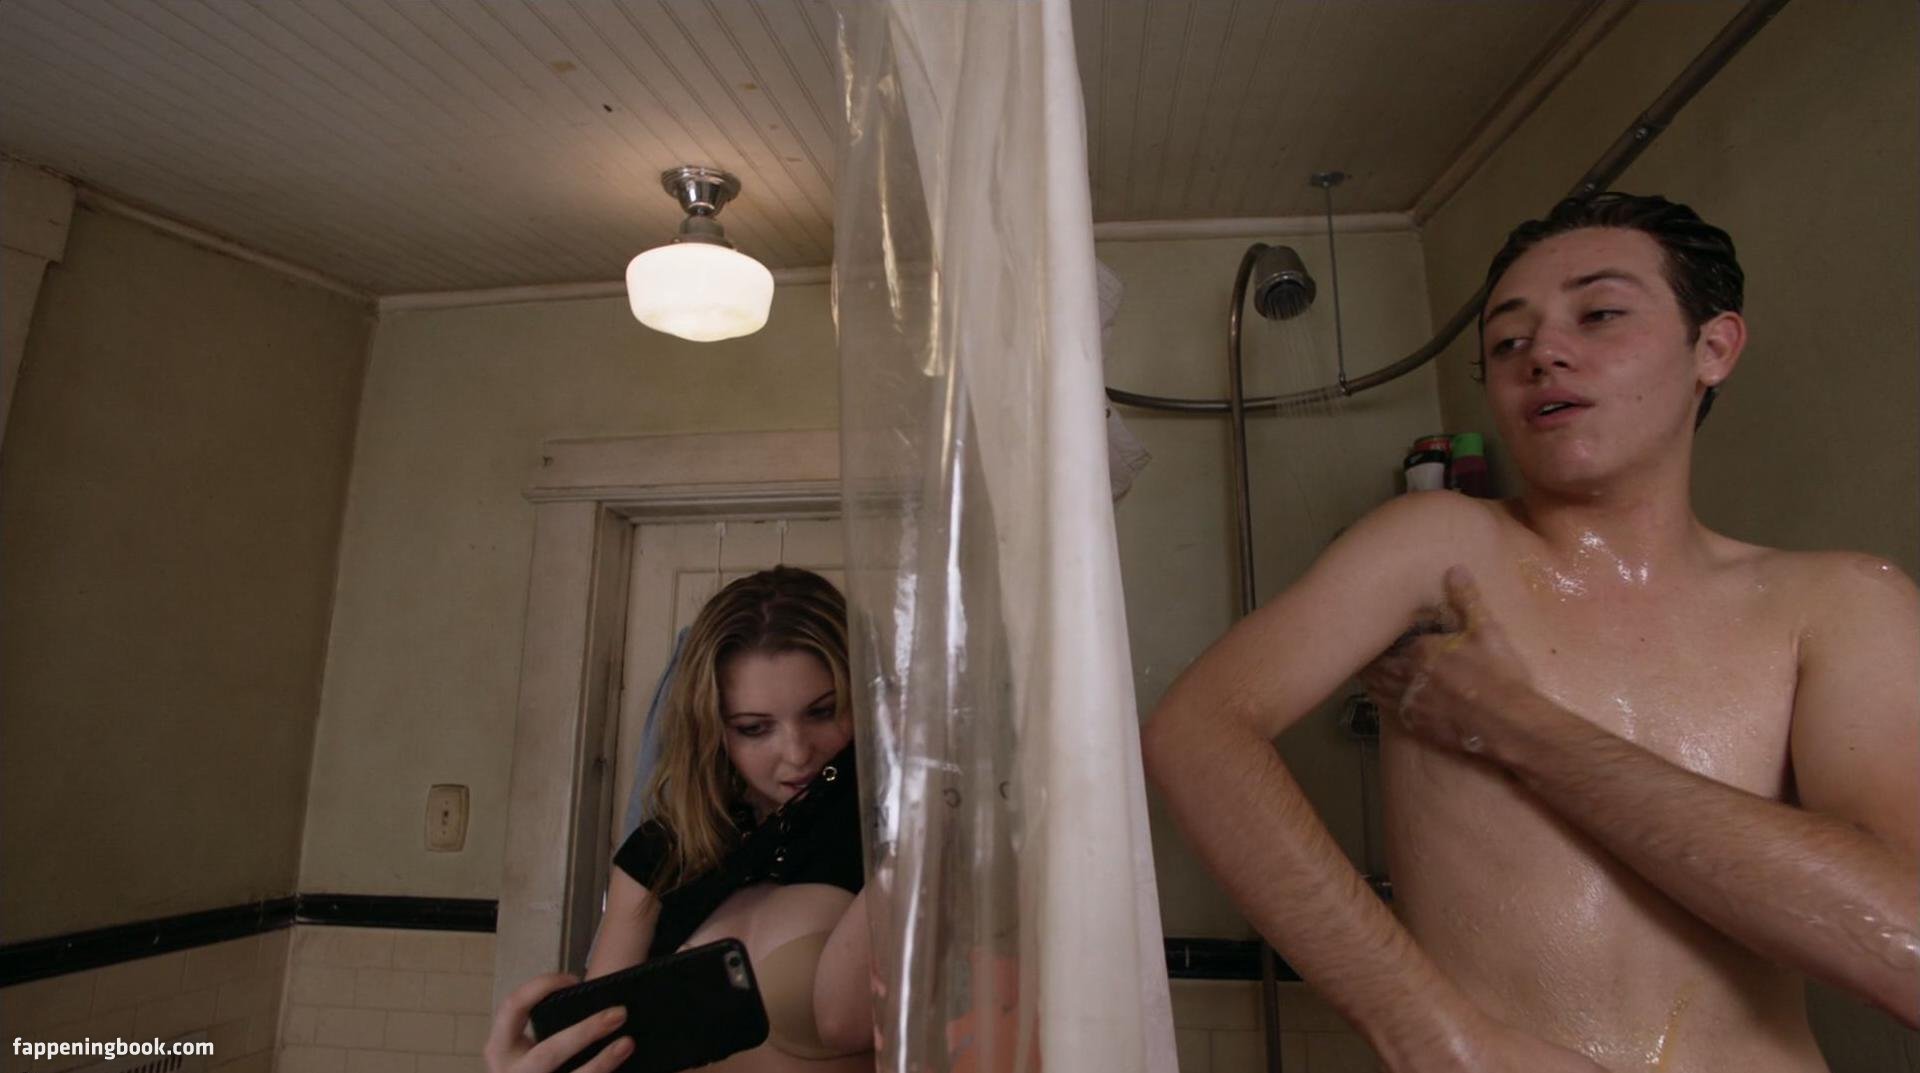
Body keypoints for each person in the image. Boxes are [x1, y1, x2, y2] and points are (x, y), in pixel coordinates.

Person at [1143, 193, 1919, 1072]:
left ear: (1713, 347)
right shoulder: (1440, 545)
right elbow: (1197, 729)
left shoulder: (1840, 603)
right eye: (1509, 341)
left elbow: (1904, 953)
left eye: (1600, 314)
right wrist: (1434, 1034)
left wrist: (1518, 726)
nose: (1543, 352)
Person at [487, 567, 874, 1073]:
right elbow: (603, 1052)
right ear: (711, 728)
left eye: (823, 712)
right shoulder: (659, 852)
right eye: (754, 728)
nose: (798, 753)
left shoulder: (891, 837)